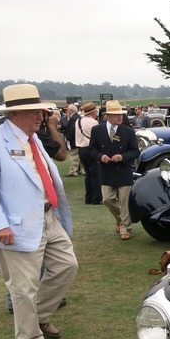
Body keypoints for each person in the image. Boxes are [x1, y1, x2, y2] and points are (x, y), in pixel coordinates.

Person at [0, 84, 78, 339]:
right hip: (15, 224)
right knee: (23, 285)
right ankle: (29, 338)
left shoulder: (34, 140)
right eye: (33, 112)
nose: (40, 117)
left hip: (47, 216)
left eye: (40, 112)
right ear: (15, 114)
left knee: (66, 265)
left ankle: (39, 316)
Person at [90, 100, 139, 239]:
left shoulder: (128, 131)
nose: (120, 117)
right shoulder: (97, 130)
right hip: (106, 171)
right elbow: (92, 149)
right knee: (107, 199)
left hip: (123, 170)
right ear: (108, 116)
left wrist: (122, 157)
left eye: (121, 114)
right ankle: (121, 220)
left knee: (124, 202)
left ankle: (125, 228)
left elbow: (135, 151)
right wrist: (101, 157)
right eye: (116, 115)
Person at [75, 102, 101, 204]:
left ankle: (88, 197)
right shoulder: (93, 122)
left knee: (88, 175)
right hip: (91, 149)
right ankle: (96, 198)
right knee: (95, 174)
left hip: (81, 149)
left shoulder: (78, 120)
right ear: (93, 112)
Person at [62, 104, 83, 176]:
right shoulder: (78, 117)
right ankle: (80, 169)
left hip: (74, 140)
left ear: (71, 110)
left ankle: (73, 171)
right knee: (79, 155)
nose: (67, 111)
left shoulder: (73, 118)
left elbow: (73, 130)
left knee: (73, 155)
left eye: (67, 110)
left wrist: (67, 137)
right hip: (79, 139)